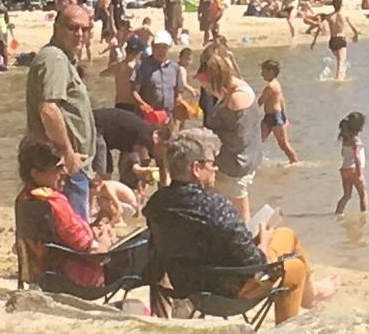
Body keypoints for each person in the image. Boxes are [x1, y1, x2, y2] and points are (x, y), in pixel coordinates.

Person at [144, 129, 339, 324]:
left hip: (189, 289)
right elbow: (254, 262)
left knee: (283, 239)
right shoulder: (216, 205)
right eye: (212, 163)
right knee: (292, 256)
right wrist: (264, 241)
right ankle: (307, 300)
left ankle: (313, 293)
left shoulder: (155, 205)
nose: (216, 169)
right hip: (230, 293)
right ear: (196, 168)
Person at [25, 4, 97, 222]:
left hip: (67, 165)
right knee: (73, 239)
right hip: (64, 167)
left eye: (85, 29)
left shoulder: (63, 59)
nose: (79, 35)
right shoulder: (54, 59)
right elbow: (48, 109)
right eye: (72, 28)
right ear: (57, 27)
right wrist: (68, 155)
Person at [16, 137, 112, 287]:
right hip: (73, 278)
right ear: (35, 173)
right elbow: (85, 247)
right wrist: (104, 241)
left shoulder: (24, 199)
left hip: (39, 274)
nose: (65, 172)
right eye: (58, 168)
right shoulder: (54, 201)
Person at [204, 53, 262, 224]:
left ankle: (246, 243)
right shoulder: (238, 89)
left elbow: (234, 135)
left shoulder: (236, 98)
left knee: (240, 211)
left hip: (235, 163)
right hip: (243, 159)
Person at [92, 106, 167, 183]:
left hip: (105, 133)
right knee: (101, 172)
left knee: (108, 171)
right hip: (96, 126)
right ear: (157, 139)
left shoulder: (152, 139)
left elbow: (161, 168)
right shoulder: (146, 136)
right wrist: (141, 171)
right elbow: (135, 163)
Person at [133, 30, 181, 122]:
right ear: (153, 47)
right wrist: (143, 105)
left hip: (168, 116)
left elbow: (178, 92)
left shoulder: (174, 68)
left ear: (168, 48)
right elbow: (134, 91)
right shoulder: (142, 66)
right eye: (158, 47)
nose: (161, 51)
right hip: (148, 116)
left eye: (164, 48)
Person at [259, 59, 298, 163]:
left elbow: (260, 101)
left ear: (271, 72)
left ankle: (295, 162)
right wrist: (285, 117)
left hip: (275, 118)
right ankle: (256, 162)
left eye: (264, 71)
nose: (261, 74)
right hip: (269, 117)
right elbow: (282, 101)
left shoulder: (271, 87)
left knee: (283, 144)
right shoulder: (277, 84)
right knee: (257, 141)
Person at [99, 36, 145, 112]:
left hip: (119, 104)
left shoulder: (117, 67)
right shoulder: (137, 67)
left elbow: (102, 74)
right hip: (132, 105)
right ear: (138, 52)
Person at [335, 112, 368, 215]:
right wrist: (359, 171)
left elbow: (343, 153)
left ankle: (338, 213)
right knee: (363, 194)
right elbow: (357, 156)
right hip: (354, 169)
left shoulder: (345, 140)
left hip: (344, 169)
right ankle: (364, 214)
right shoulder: (356, 141)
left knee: (346, 195)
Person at [321, 0, 357, 81]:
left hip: (332, 40)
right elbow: (353, 28)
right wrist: (356, 36)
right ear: (341, 5)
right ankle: (338, 79)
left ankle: (340, 75)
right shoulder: (344, 16)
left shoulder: (329, 16)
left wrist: (316, 38)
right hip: (341, 39)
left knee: (339, 60)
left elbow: (321, 24)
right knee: (341, 61)